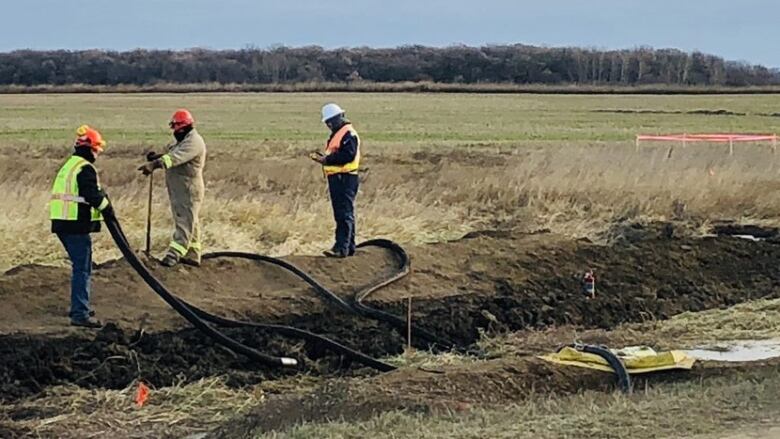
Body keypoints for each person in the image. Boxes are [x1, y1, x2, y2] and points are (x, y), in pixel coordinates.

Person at [50, 125, 113, 328]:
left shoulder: (70, 164)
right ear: (89, 148)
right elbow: (91, 195)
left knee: (80, 266)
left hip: (62, 222)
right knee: (82, 268)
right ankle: (80, 313)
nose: (97, 153)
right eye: (96, 149)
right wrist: (107, 208)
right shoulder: (85, 168)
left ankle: (80, 305)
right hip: (75, 225)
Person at [138, 109, 207, 267]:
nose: (174, 131)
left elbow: (175, 158)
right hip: (180, 188)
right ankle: (192, 254)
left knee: (184, 220)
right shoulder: (183, 141)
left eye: (176, 127)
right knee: (190, 220)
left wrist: (155, 164)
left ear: (183, 126)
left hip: (188, 188)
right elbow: (171, 152)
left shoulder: (193, 142)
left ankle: (175, 253)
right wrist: (156, 157)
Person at [309, 103, 361, 258]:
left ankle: (341, 248)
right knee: (345, 212)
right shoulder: (340, 133)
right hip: (339, 177)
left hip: (344, 177)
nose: (328, 125)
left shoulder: (347, 134)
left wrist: (328, 160)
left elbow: (348, 155)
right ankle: (349, 246)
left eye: (329, 121)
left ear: (337, 118)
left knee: (343, 213)